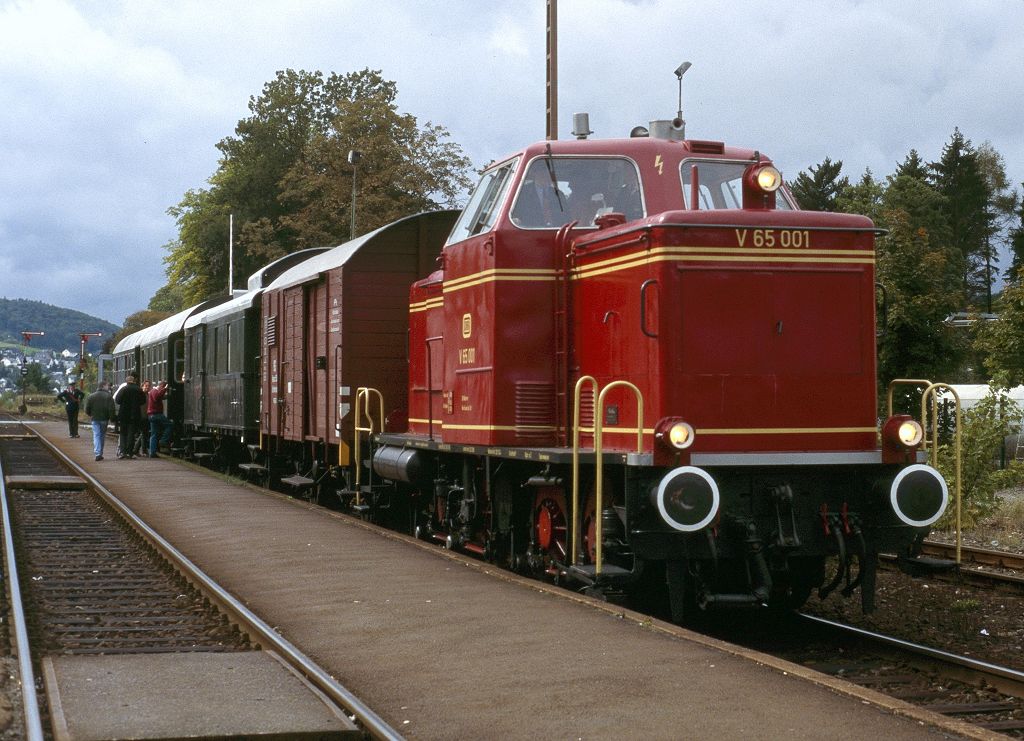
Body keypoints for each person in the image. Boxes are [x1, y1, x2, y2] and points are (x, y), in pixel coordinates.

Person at [113, 375, 146, 459]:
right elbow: (143, 401)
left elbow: (117, 400)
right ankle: (129, 452)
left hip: (124, 415)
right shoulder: (138, 389)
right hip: (134, 415)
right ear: (134, 381)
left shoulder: (123, 389)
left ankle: (123, 452)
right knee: (131, 433)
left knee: (123, 433)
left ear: (127, 381)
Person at [84, 381, 116, 461]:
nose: (108, 387)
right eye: (107, 386)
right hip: (104, 419)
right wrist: (112, 418)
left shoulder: (91, 396)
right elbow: (111, 409)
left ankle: (97, 453)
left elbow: (87, 408)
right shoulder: (108, 396)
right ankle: (100, 453)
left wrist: (90, 414)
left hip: (95, 418)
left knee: (96, 435)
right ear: (103, 386)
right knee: (101, 436)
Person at [146, 380, 172, 457]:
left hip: (152, 415)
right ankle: (163, 441)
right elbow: (157, 397)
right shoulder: (154, 391)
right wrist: (165, 389)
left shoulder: (155, 391)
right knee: (169, 425)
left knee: (154, 434)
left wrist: (167, 395)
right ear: (161, 386)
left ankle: (152, 453)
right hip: (156, 414)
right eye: (163, 387)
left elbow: (160, 397)